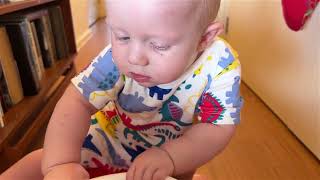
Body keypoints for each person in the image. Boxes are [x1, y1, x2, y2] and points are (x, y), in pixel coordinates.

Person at [0, 0, 243, 179]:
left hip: (173, 154)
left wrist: (170, 157)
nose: (134, 57)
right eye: (122, 37)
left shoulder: (220, 63)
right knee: (37, 163)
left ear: (204, 38)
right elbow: (76, 101)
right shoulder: (114, 60)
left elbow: (217, 125)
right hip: (103, 141)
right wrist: (61, 164)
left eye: (158, 45)